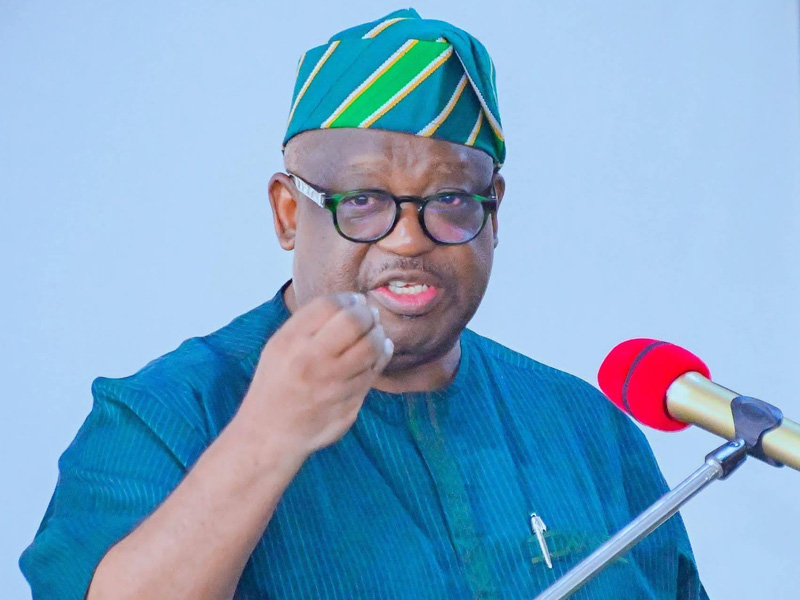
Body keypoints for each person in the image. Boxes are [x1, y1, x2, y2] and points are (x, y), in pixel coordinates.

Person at [21, 8, 708, 600]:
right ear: (288, 213)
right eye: (363, 200)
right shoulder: (169, 415)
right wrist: (267, 434)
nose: (408, 238)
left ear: (493, 214)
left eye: (449, 200)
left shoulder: (587, 429)